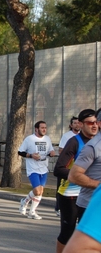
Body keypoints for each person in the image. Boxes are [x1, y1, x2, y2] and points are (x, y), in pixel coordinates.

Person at [53, 109, 97, 253]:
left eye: (96, 122)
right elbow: (58, 169)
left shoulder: (97, 143)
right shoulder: (74, 142)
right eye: (90, 123)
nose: (94, 126)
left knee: (89, 234)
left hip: (89, 194)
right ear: (80, 124)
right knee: (68, 232)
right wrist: (79, 175)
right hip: (70, 194)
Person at [18, 120, 56, 220]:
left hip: (43, 168)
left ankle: (28, 207)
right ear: (36, 129)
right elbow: (20, 152)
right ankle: (29, 208)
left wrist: (52, 152)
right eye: (42, 128)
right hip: (33, 169)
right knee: (37, 190)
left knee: (40, 191)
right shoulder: (29, 139)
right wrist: (31, 155)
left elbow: (50, 150)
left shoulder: (47, 139)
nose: (44, 129)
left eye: (45, 128)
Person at [68, 108, 101, 222]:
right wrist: (99, 185)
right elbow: (74, 176)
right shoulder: (93, 147)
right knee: (67, 234)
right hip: (91, 206)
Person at [62, 185, 101, 253]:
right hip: (72, 195)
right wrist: (96, 184)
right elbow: (70, 176)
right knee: (67, 233)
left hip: (84, 198)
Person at [55, 116, 80, 216]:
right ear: (71, 125)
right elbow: (61, 150)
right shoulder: (67, 136)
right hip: (67, 167)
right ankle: (58, 207)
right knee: (61, 187)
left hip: (78, 168)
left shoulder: (84, 137)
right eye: (75, 123)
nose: (77, 125)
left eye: (78, 123)